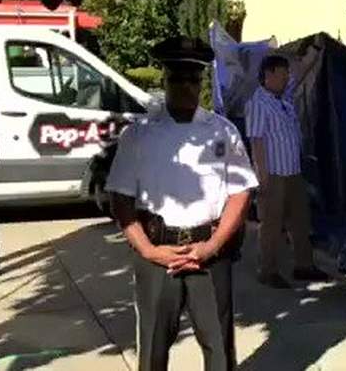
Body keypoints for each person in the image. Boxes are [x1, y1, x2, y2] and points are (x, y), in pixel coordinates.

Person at [106, 36, 258, 371]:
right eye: (177, 78)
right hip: (158, 253)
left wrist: (214, 245)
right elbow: (121, 198)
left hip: (210, 252)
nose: (186, 86)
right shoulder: (140, 134)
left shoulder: (222, 131)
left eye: (193, 79)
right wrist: (148, 251)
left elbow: (241, 192)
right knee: (153, 348)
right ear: (165, 80)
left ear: (202, 82)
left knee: (220, 349)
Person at [245, 54, 328, 289]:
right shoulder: (259, 103)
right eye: (283, 74)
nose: (287, 78)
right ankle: (268, 270)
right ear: (269, 74)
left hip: (292, 171)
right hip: (273, 173)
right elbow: (257, 141)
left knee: (300, 220)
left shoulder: (282, 100)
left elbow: (299, 75)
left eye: (287, 74)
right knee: (271, 224)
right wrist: (261, 176)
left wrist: (313, 55)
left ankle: (304, 265)